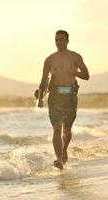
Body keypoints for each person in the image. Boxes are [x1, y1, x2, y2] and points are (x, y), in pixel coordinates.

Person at [36, 30, 90, 169]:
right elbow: (43, 80)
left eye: (61, 39)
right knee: (56, 129)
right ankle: (59, 159)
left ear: (67, 41)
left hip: (70, 96)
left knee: (67, 129)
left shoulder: (75, 57)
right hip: (55, 97)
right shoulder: (49, 59)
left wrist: (74, 72)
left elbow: (86, 75)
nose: (59, 42)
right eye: (57, 40)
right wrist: (41, 98)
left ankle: (65, 149)